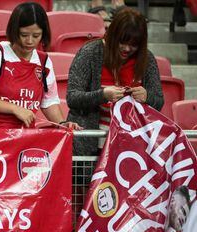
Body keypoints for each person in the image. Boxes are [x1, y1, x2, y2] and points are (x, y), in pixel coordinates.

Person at [0, 2, 80, 130]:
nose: (30, 41)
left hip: (22, 136)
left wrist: (62, 124)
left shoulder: (43, 61)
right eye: (24, 35)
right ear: (14, 31)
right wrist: (15, 109)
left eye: (36, 36)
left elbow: (49, 102)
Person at [66, 7, 164, 156]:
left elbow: (159, 101)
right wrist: (103, 95)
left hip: (131, 145)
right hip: (91, 142)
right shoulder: (90, 53)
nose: (127, 48)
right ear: (112, 35)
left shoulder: (147, 59)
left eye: (134, 45)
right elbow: (72, 97)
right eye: (122, 42)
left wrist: (147, 96)